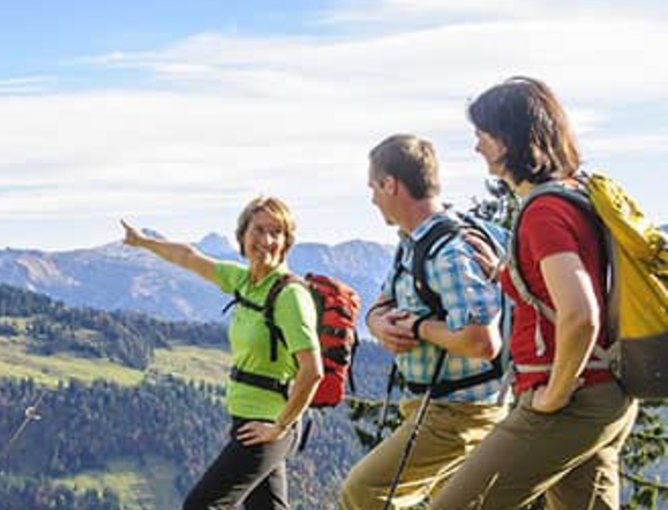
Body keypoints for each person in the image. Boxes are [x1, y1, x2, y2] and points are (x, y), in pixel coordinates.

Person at [428, 77, 639, 510]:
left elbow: (580, 314)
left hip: (569, 401)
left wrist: (555, 394)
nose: (476, 147)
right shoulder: (575, 197)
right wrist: (510, 275)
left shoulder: (543, 213)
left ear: (510, 139)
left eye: (482, 135)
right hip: (607, 395)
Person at [121, 196, 323, 510]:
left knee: (202, 506)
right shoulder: (243, 281)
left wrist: (280, 427)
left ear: (286, 242)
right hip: (250, 421)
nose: (266, 240)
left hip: (270, 425)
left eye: (276, 232)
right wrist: (142, 242)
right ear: (242, 235)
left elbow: (312, 371)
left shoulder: (290, 296)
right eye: (258, 230)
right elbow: (188, 257)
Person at [340, 134, 509, 509]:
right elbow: (383, 301)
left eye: (373, 187)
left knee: (364, 491)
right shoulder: (413, 241)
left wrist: (417, 328)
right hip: (438, 408)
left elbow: (483, 342)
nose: (372, 198)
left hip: (457, 413)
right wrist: (377, 322)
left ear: (390, 184)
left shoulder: (450, 250)